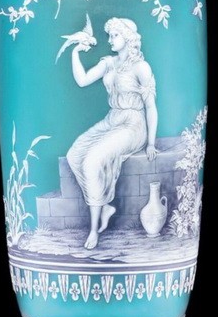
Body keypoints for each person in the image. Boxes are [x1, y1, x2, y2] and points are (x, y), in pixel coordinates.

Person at [66, 17, 159, 249]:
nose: (110, 40)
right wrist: (75, 53)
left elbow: (151, 107)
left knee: (92, 160)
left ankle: (94, 229)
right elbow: (82, 81)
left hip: (134, 124)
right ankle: (104, 205)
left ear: (127, 37)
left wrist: (150, 143)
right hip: (112, 119)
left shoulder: (141, 67)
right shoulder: (109, 63)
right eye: (110, 35)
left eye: (115, 35)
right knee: (74, 154)